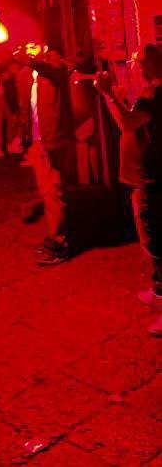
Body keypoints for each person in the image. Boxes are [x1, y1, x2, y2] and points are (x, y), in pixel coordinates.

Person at [95, 44, 162, 337]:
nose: (135, 66)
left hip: (155, 177)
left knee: (156, 240)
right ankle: (159, 291)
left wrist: (107, 94)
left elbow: (128, 123)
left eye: (138, 62)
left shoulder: (155, 94)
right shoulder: (151, 93)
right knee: (153, 237)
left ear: (150, 66)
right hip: (152, 175)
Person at [16, 43, 76, 265]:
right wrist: (23, 136)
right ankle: (57, 236)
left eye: (33, 45)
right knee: (46, 191)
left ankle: (61, 244)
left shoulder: (55, 65)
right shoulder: (24, 74)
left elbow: (56, 72)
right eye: (26, 46)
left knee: (54, 191)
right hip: (37, 142)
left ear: (43, 47)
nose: (28, 49)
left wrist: (31, 61)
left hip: (55, 140)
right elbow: (24, 108)